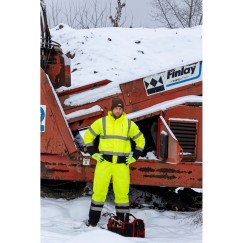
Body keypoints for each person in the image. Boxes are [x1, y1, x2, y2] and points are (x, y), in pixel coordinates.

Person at [84, 98, 145, 226]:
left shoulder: (129, 124)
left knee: (122, 195)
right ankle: (92, 222)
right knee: (99, 192)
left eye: (120, 108)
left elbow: (141, 140)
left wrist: (135, 156)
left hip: (121, 165)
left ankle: (123, 223)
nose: (118, 110)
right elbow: (88, 135)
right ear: (112, 109)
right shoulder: (102, 122)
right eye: (116, 108)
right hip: (104, 163)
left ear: (123, 110)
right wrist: (93, 153)